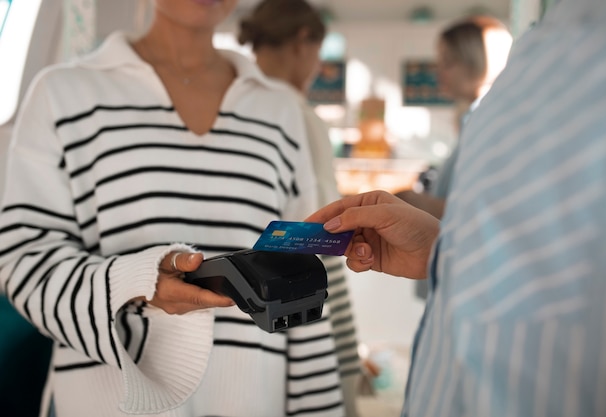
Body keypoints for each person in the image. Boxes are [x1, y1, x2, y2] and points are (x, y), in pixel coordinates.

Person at [0, 0, 354, 416]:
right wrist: (138, 281)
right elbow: (26, 264)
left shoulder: (278, 110)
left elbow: (304, 279)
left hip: (251, 399)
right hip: (111, 401)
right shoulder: (63, 93)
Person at [306, 0, 606, 416]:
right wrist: (443, 250)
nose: (439, 73)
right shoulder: (546, 57)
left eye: (447, 63)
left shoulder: (597, 59)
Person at [237, 3, 362, 415]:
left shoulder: (231, 104)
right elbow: (322, 227)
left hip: (246, 285)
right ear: (302, 43)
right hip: (305, 282)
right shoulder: (295, 113)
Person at [396, 15, 512, 219]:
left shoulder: (492, 124)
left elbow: (486, 208)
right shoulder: (473, 119)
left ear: (478, 62)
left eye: (448, 63)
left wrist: (416, 203)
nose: (438, 72)